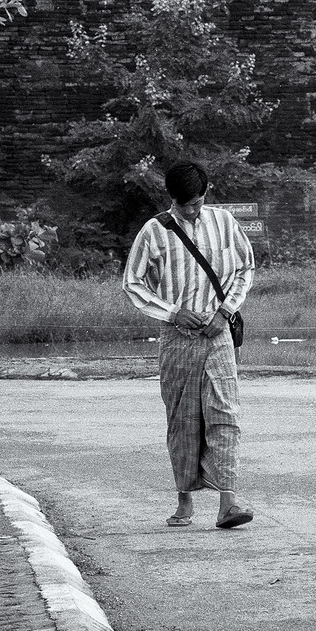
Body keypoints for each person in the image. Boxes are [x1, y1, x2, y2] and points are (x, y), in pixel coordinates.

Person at [122, 160, 256, 529]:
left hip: (218, 334)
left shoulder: (225, 223)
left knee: (225, 413)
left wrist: (224, 312)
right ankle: (184, 500)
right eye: (185, 206)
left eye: (197, 203)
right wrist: (172, 312)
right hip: (177, 338)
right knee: (182, 418)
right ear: (172, 199)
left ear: (206, 194)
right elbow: (133, 283)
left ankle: (228, 503)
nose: (192, 211)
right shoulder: (154, 231)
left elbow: (246, 268)